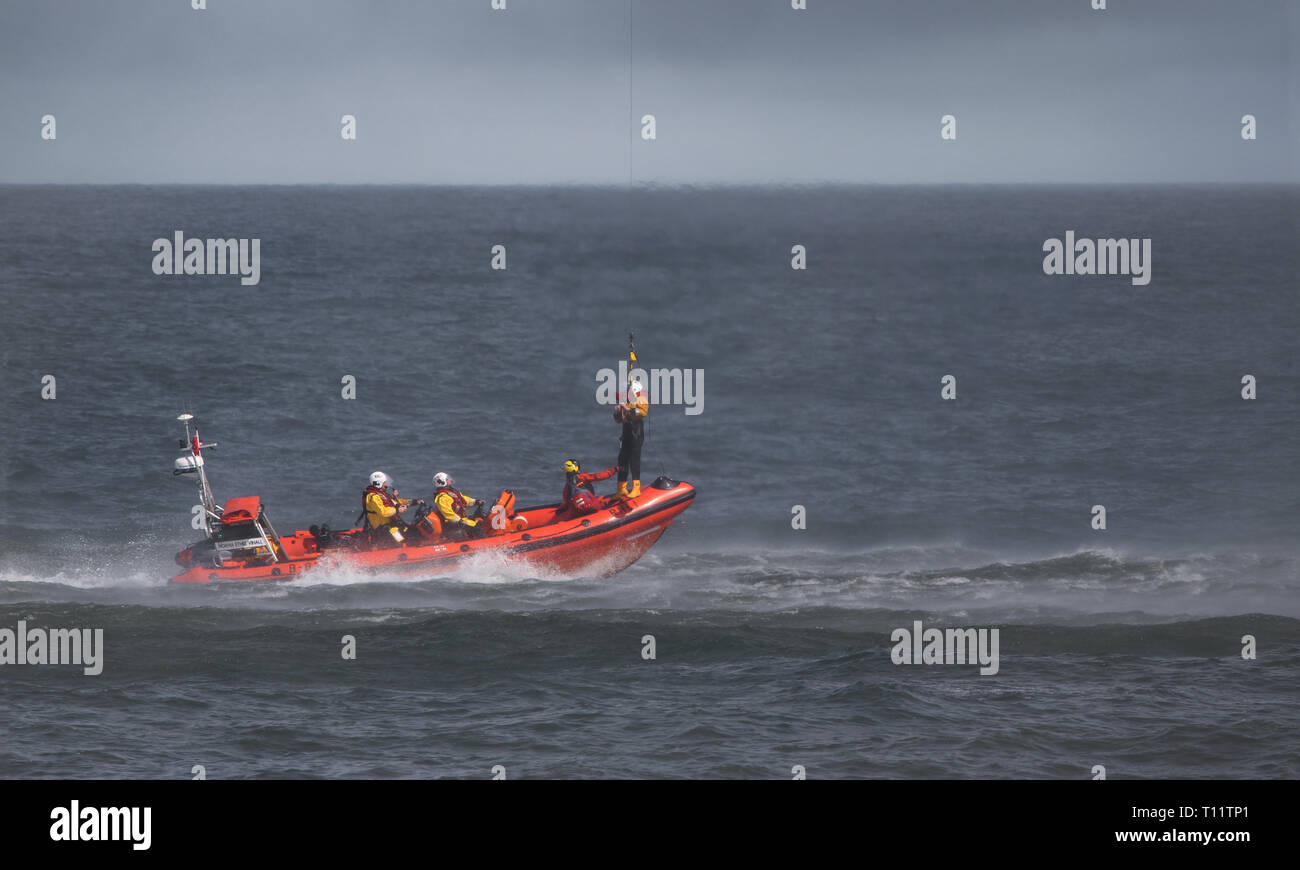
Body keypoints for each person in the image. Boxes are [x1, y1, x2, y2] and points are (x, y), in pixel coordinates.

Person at [613, 377, 648, 498]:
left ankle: (636, 488)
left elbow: (642, 412)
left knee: (634, 459)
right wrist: (617, 412)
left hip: (636, 431)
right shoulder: (626, 399)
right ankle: (621, 488)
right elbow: (619, 420)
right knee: (622, 459)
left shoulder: (641, 398)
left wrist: (628, 409)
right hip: (626, 431)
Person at [360, 471, 414, 545]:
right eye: (385, 482)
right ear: (378, 483)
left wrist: (412, 502)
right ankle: (403, 549)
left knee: (410, 532)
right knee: (400, 540)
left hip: (391, 524)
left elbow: (395, 503)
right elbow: (383, 512)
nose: (387, 484)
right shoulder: (373, 497)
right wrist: (397, 510)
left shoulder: (383, 494)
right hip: (382, 528)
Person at [433, 472, 487, 538]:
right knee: (476, 527)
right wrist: (460, 521)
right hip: (452, 523)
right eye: (447, 479)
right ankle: (482, 544)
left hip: (460, 519)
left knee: (480, 521)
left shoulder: (451, 492)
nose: (450, 480)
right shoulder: (442, 497)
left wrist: (476, 502)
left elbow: (463, 500)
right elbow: (448, 513)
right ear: (442, 482)